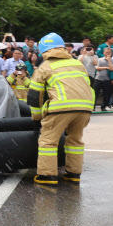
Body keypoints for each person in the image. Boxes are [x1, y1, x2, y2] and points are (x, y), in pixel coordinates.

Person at [27, 32, 94, 185]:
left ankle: (47, 176)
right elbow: (89, 85)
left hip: (60, 107)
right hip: (85, 107)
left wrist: (37, 119)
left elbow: (34, 97)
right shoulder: (78, 64)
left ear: (44, 51)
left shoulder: (45, 67)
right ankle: (73, 174)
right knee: (75, 140)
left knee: (48, 141)